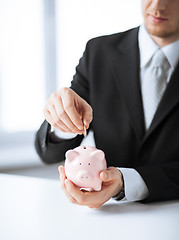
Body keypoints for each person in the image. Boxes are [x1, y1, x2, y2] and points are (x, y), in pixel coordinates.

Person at [35, 0, 179, 208]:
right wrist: (63, 121)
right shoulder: (99, 52)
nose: (157, 6)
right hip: (108, 221)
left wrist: (125, 182)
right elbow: (48, 154)